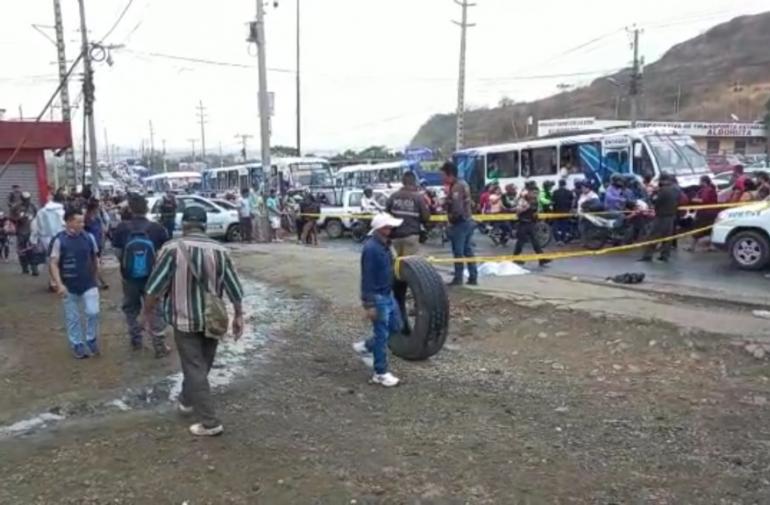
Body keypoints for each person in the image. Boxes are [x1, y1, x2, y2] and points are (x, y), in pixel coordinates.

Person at [143, 206, 245, 436]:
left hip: (184, 318)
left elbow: (155, 286)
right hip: (214, 318)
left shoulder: (170, 249)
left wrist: (146, 312)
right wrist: (238, 314)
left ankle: (211, 422)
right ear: (205, 225)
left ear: (184, 225)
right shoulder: (221, 251)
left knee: (195, 368)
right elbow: (234, 287)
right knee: (201, 366)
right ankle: (186, 401)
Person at [111, 194, 170, 356]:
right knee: (155, 308)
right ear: (147, 209)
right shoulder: (157, 228)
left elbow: (118, 253)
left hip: (129, 278)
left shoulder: (122, 228)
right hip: (153, 278)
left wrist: (129, 266)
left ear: (130, 209)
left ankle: (136, 339)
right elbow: (163, 255)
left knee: (131, 308)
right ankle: (159, 346)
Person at [352, 212, 404, 388]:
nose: (392, 228)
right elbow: (367, 278)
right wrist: (369, 304)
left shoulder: (385, 245)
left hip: (388, 294)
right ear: (381, 228)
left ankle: (367, 346)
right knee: (382, 335)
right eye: (389, 226)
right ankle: (380, 373)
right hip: (378, 297)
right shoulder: (371, 249)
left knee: (396, 327)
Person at [49, 208, 101, 359]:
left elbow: (95, 257)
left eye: (83, 221)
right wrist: (59, 284)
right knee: (72, 317)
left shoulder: (89, 237)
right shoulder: (59, 240)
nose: (82, 224)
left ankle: (91, 338)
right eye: (79, 221)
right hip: (68, 284)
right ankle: (77, 344)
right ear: (69, 222)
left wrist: (96, 275)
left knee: (93, 312)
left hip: (89, 282)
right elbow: (53, 262)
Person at [442, 161, 478, 286]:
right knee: (467, 250)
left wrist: (451, 220)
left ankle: (458, 278)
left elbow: (457, 207)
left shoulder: (457, 186)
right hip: (468, 221)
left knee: (458, 251)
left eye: (444, 175)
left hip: (460, 223)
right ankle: (473, 276)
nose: (443, 178)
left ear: (450, 175)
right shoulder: (463, 183)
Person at [386, 172, 431, 257]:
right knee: (410, 265)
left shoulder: (393, 196)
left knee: (397, 263)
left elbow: (386, 214)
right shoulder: (418, 197)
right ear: (414, 182)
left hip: (395, 236)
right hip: (411, 236)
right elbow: (426, 217)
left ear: (402, 182)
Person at [640, 173, 680, 262]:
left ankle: (647, 255)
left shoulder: (663, 190)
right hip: (671, 216)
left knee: (653, 235)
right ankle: (665, 255)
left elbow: (656, 202)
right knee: (667, 237)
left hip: (661, 216)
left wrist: (654, 195)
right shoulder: (676, 189)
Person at [31, 193, 65, 290]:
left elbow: (35, 227)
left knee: (51, 260)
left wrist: (33, 240)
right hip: (60, 237)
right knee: (60, 260)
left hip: (46, 239)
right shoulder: (61, 211)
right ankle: (60, 280)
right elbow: (64, 224)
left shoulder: (41, 212)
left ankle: (53, 281)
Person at [513, 189, 550, 266]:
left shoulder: (534, 202)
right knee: (520, 242)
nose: (534, 195)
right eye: (532, 194)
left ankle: (542, 259)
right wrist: (525, 208)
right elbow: (518, 212)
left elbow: (536, 212)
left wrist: (536, 214)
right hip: (523, 223)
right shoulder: (522, 201)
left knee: (535, 242)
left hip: (531, 223)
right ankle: (515, 258)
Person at [687, 175, 719, 252]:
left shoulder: (707, 190)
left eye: (700, 181)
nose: (699, 182)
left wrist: (693, 199)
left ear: (704, 182)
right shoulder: (710, 189)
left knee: (697, 228)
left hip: (704, 213)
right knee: (710, 229)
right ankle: (712, 246)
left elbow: (704, 200)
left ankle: (692, 247)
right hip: (712, 212)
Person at [85, 200, 109, 290]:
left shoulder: (97, 218)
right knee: (95, 263)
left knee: (96, 263)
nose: (98, 209)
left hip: (98, 243)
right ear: (93, 209)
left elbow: (102, 230)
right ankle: (100, 281)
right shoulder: (87, 219)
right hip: (91, 244)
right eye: (97, 208)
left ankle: (96, 281)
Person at [12, 192, 38, 276]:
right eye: (25, 200)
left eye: (28, 199)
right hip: (21, 232)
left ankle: (34, 269)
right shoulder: (16, 207)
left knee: (32, 250)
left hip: (31, 231)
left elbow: (37, 216)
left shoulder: (32, 206)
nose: (27, 201)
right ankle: (25, 268)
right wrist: (19, 218)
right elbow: (11, 217)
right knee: (22, 251)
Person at [551, 179, 575, 244]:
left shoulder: (555, 192)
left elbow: (553, 202)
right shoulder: (569, 192)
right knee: (564, 226)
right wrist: (571, 209)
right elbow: (573, 201)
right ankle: (564, 240)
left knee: (556, 227)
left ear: (559, 184)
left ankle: (558, 240)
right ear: (565, 184)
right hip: (566, 212)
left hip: (557, 212)